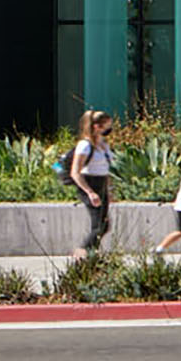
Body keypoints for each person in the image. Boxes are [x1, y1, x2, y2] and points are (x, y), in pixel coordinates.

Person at [66, 109, 116, 258]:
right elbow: (75, 172)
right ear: (97, 127)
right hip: (89, 183)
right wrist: (90, 192)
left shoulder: (103, 145)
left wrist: (109, 189)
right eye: (107, 126)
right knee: (99, 225)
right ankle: (81, 253)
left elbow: (105, 169)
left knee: (104, 224)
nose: (109, 130)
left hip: (101, 183)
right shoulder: (85, 145)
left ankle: (91, 253)